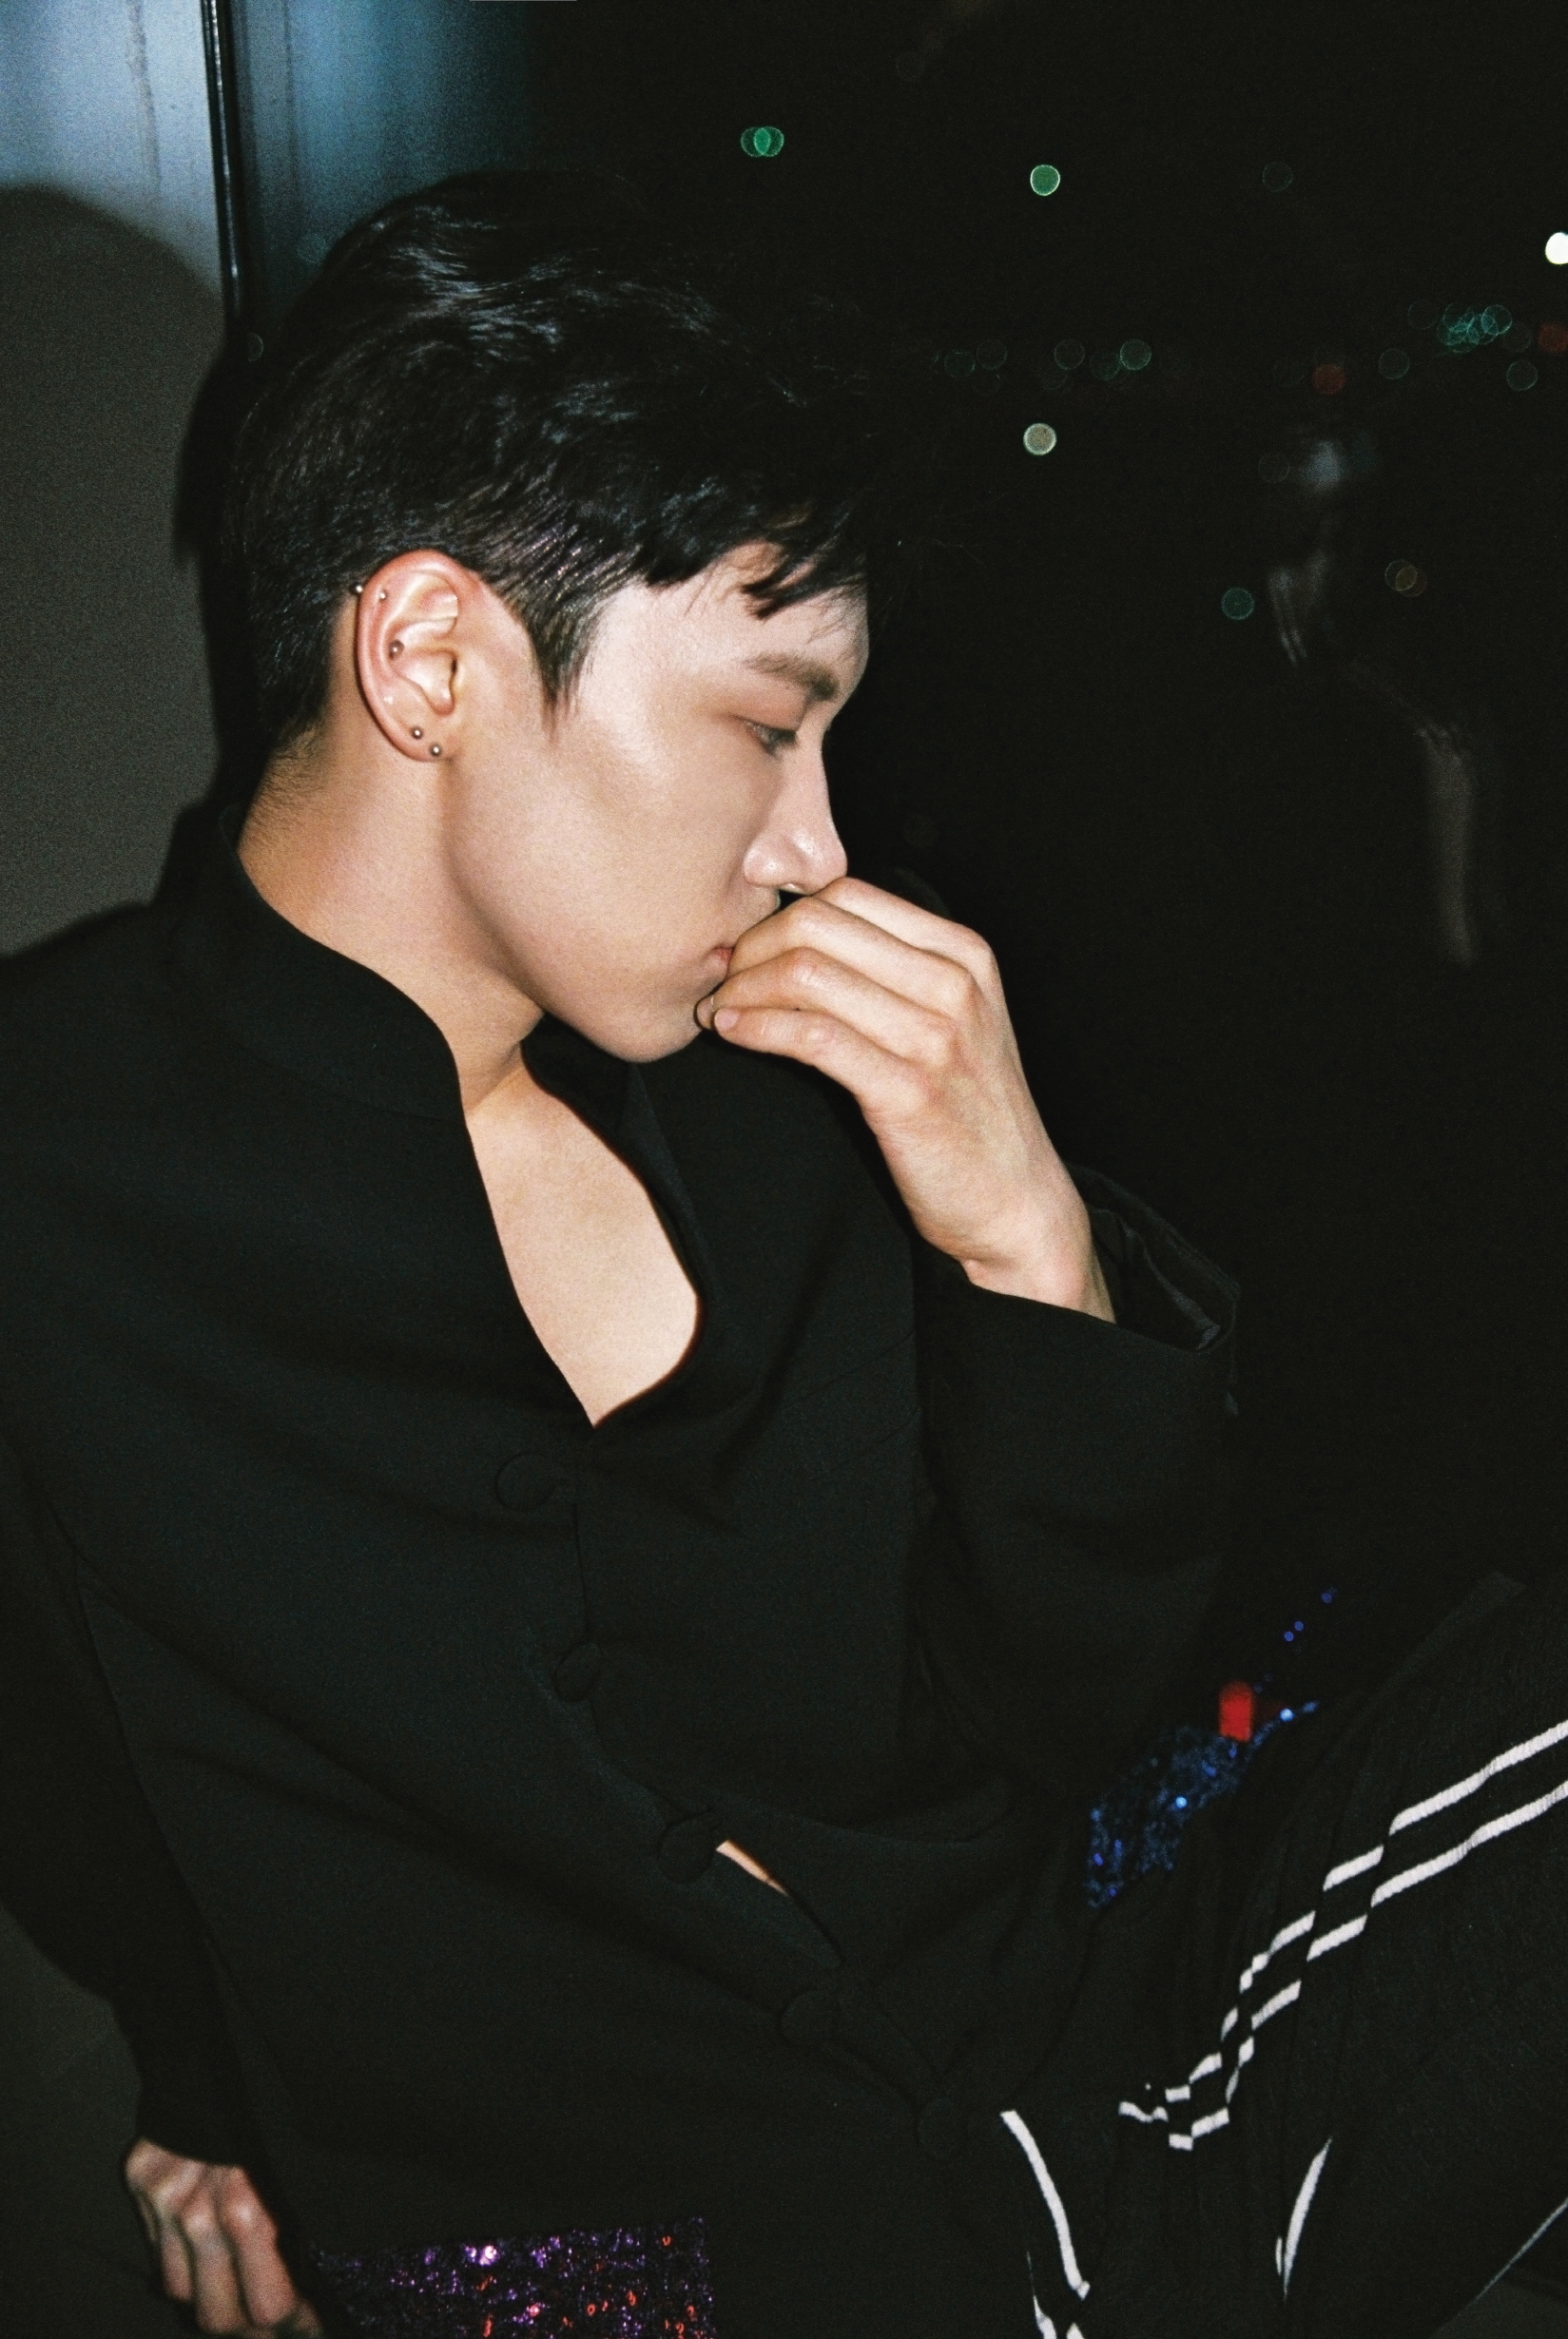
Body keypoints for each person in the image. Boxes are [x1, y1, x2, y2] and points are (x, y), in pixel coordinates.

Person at [0, 169, 1561, 2339]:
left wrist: (1022, 1240)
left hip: (1083, 2088)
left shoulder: (760, 1103)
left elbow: (1050, 1712)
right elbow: (60, 1767)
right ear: (431, 658)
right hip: (637, 2274)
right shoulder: (56, 1169)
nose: (815, 846)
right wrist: (202, 2089)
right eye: (765, 722)